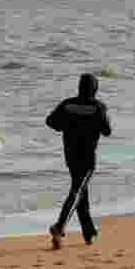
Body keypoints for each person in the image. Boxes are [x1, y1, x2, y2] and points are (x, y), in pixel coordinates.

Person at [45, 72, 112, 249]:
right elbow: (107, 131)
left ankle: (88, 233)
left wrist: (66, 125)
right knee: (78, 191)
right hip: (88, 156)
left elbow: (50, 121)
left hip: (70, 155)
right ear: (95, 89)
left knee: (80, 190)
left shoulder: (67, 104)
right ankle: (59, 227)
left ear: (79, 87)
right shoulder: (98, 107)